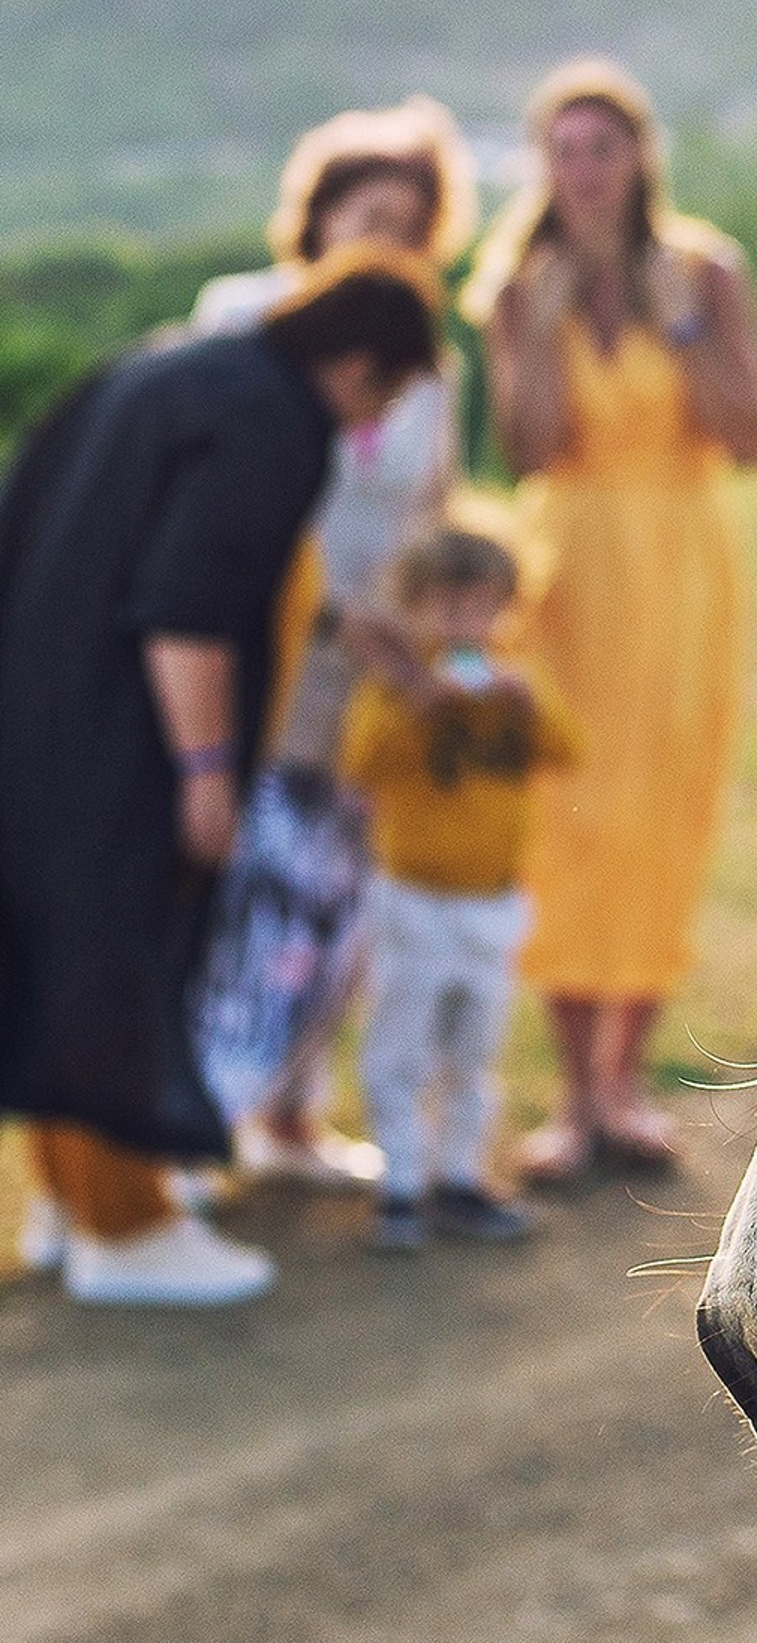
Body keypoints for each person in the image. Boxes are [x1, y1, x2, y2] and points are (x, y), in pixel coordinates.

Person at [0, 251, 442, 1304]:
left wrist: (337, 621)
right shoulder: (275, 418)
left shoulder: (157, 368)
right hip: (132, 735)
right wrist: (205, 772)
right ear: (360, 364)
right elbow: (187, 605)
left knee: (58, 954)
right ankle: (130, 1231)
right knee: (126, 956)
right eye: (384, 394)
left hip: (38, 710)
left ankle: (68, 1202)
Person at [465, 60, 757, 1182]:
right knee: (562, 812)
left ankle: (622, 1087)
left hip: (681, 566)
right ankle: (571, 1094)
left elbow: (746, 433)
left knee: (660, 807)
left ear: (639, 155)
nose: (581, 171)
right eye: (561, 150)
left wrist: (685, 328)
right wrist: (541, 332)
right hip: (565, 572)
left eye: (600, 147)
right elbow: (531, 446)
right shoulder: (516, 285)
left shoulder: (706, 269)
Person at [194, 98, 479, 1185]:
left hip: (374, 668)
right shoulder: (241, 315)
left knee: (338, 894)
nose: (385, 239)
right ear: (313, 218)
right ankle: (195, 1119)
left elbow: (433, 518)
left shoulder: (431, 369)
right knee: (241, 886)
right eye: (367, 212)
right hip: (252, 648)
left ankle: (292, 1119)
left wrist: (445, 645)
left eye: (409, 224)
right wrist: (320, 602)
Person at [340, 526, 578, 1252]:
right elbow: (361, 764)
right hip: (415, 902)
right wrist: (419, 704)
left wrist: (527, 703)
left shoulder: (514, 683)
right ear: (411, 611)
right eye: (447, 610)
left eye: (482, 609)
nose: (466, 627)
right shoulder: (394, 690)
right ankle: (401, 1186)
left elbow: (570, 752)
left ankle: (462, 1179)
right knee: (400, 1051)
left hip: (492, 904)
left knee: (475, 1052)